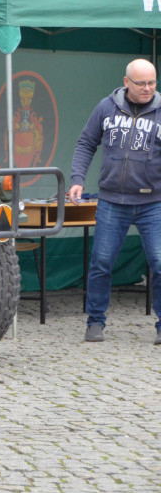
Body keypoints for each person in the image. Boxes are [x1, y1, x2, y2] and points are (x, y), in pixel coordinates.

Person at [68, 58, 161, 344]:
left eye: (152, 83)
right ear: (126, 82)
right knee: (101, 262)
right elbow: (86, 143)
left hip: (153, 202)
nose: (147, 88)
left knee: (159, 263)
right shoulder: (106, 107)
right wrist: (77, 179)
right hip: (111, 200)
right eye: (141, 83)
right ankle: (95, 322)